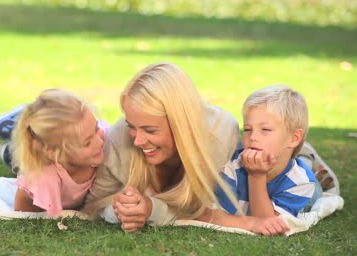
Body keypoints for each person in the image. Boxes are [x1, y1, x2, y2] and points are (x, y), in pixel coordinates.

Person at [82, 62, 290, 235]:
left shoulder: (219, 135)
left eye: (150, 130)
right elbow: (91, 205)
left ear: (180, 124)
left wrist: (150, 208)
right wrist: (119, 208)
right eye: (132, 127)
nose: (137, 141)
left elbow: (200, 208)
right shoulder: (120, 137)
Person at [0, 89, 108, 216]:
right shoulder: (42, 176)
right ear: (54, 153)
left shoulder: (106, 136)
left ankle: (12, 141)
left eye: (96, 128)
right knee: (18, 158)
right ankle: (9, 134)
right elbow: (23, 203)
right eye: (87, 143)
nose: (99, 141)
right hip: (38, 161)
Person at [215, 85, 318, 218]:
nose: (252, 137)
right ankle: (305, 154)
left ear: (294, 138)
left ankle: (309, 157)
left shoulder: (302, 181)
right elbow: (219, 214)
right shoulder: (230, 166)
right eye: (247, 129)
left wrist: (255, 176)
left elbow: (267, 221)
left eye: (265, 130)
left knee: (317, 194)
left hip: (310, 190)